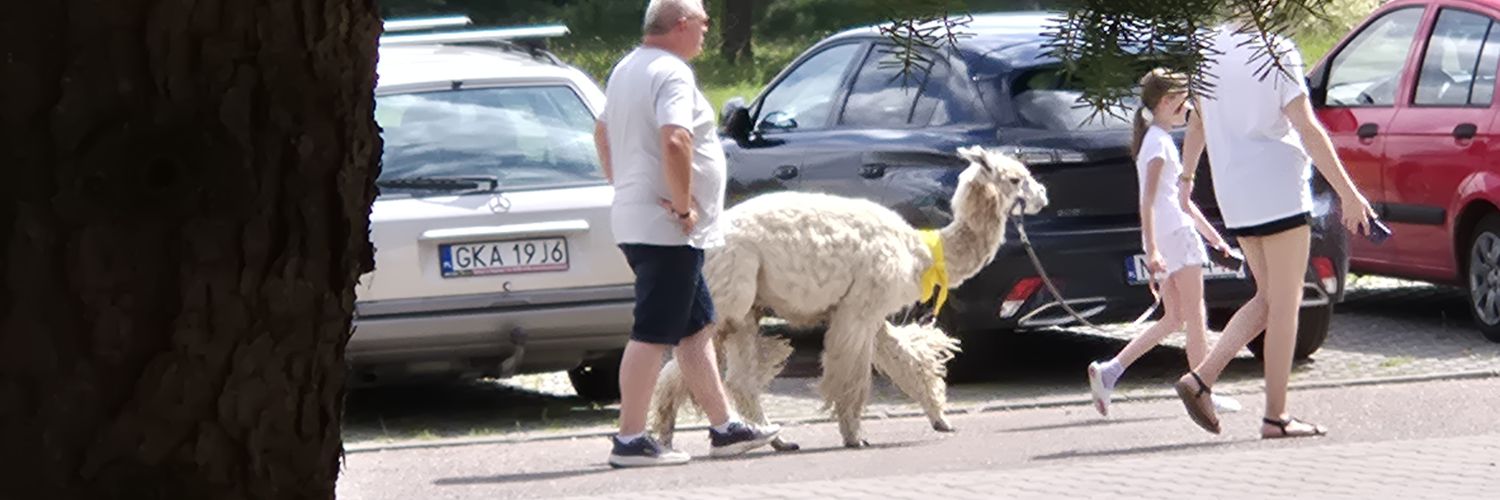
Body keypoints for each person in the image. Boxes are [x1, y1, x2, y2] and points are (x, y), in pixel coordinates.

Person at [592, 0, 780, 468]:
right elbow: (676, 139)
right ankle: (630, 439)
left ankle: (725, 428)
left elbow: (601, 130)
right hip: (667, 229)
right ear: (680, 25)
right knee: (652, 333)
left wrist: (625, 183)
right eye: (703, 23)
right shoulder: (671, 72)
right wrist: (682, 206)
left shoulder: (627, 68)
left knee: (696, 331)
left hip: (649, 224)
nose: (707, 31)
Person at [1172, 19, 1377, 438]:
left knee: (1268, 299)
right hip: (1278, 187)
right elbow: (1306, 127)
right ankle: (1275, 416)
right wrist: (1349, 194)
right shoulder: (1276, 49)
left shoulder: (1209, 46)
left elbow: (1197, 122)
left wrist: (1187, 180)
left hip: (1234, 192)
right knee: (1285, 304)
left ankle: (1201, 378)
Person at [1087, 69, 1243, 418]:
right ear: (1167, 102)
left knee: (1174, 317)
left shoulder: (1156, 141)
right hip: (1176, 236)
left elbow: (1177, 199)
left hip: (1176, 232)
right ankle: (1203, 387)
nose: (1188, 106)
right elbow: (1149, 201)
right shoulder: (1158, 144)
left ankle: (1111, 370)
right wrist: (1153, 249)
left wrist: (1212, 237)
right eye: (1183, 99)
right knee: (1195, 313)